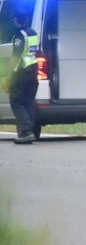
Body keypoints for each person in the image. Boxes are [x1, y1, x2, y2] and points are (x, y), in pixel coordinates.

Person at [9, 10, 39, 144]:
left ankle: (26, 131)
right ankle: (31, 131)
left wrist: (10, 75)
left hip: (22, 72)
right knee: (28, 102)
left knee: (16, 101)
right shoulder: (33, 33)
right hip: (33, 70)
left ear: (16, 20)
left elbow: (16, 57)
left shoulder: (19, 36)